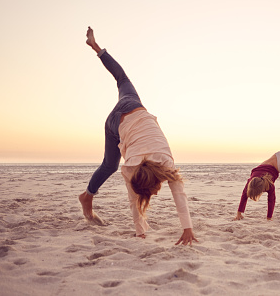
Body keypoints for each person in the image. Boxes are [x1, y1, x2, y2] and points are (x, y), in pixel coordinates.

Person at [79, 27, 197, 245]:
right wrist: (141, 232)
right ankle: (86, 196)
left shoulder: (165, 164)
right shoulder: (136, 167)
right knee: (110, 165)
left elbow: (155, 198)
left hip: (131, 106)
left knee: (109, 165)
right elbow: (136, 200)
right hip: (119, 121)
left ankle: (88, 195)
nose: (158, 191)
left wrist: (186, 229)